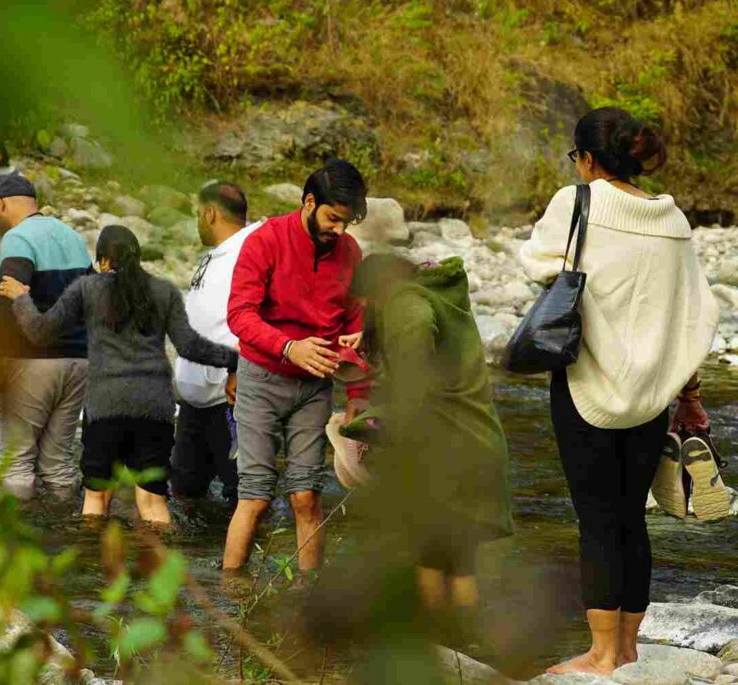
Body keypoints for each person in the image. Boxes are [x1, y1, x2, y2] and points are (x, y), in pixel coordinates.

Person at [519, 107, 718, 676]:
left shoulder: (576, 202)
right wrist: (689, 393)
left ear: (586, 158)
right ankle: (628, 647)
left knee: (597, 520)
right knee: (632, 515)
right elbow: (692, 310)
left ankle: (602, 654)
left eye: (575, 158)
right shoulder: (672, 218)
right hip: (654, 391)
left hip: (588, 384)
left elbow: (535, 264)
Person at [0, 225, 239, 524]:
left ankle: (91, 553)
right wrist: (234, 361)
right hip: (155, 409)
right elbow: (190, 346)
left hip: (106, 408)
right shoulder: (164, 291)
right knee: (152, 502)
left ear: (103, 261)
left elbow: (40, 332)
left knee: (97, 498)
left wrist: (22, 299)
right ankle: (163, 553)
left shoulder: (87, 289)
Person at [346, 254, 513, 617]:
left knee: (428, 559)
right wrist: (376, 336)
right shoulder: (441, 295)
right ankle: (465, 645)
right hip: (478, 443)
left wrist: (370, 426)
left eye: (366, 304)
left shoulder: (406, 304)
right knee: (460, 564)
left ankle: (438, 641)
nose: (366, 312)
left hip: (444, 452)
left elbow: (412, 387)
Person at [222, 158, 367, 573]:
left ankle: (307, 594)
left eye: (347, 223)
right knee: (255, 496)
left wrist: (357, 394)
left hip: (315, 387)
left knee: (306, 496)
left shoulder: (351, 253)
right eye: (333, 219)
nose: (340, 231)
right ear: (309, 202)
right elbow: (239, 315)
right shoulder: (265, 240)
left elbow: (355, 323)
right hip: (261, 379)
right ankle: (231, 590)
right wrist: (288, 347)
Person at [0, 173, 92, 501]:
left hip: (30, 361)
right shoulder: (72, 237)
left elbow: (7, 303)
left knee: (15, 464)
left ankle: (15, 531)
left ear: (0, 205)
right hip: (78, 362)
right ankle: (67, 527)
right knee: (58, 465)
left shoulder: (17, 239)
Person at [172, 181, 261, 507]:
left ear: (210, 214)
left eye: (198, 214)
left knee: (243, 496)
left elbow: (261, 315)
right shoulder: (216, 255)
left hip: (229, 399)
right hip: (194, 402)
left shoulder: (250, 251)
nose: (198, 222)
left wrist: (240, 369)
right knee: (184, 491)